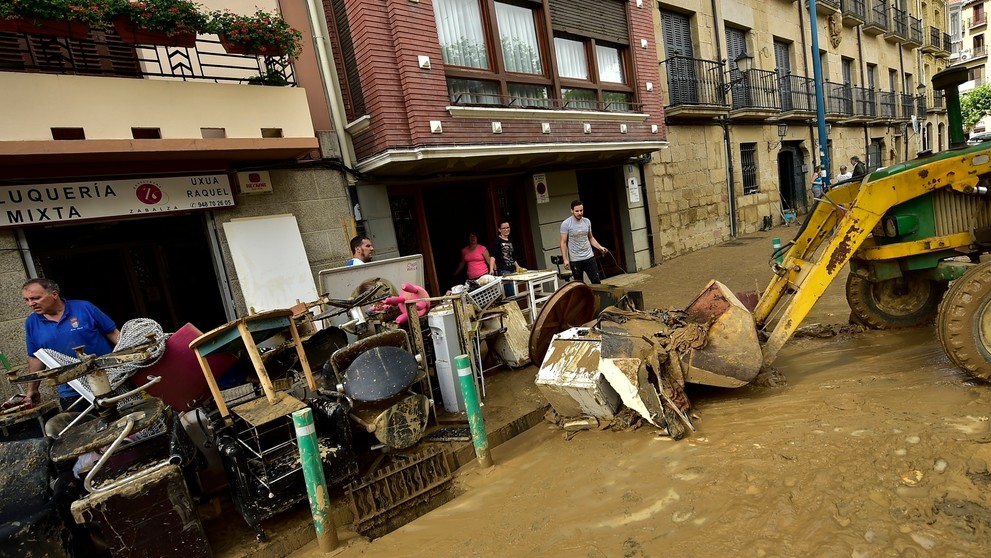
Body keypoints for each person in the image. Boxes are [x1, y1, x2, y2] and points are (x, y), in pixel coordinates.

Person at [11, 278, 120, 413]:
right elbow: (36, 357)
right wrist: (32, 389)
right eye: (27, 300)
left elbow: (114, 334)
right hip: (72, 392)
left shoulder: (84, 308)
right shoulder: (32, 322)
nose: (31, 304)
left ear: (54, 294)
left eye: (35, 298)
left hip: (110, 381)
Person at [560, 199, 608, 284]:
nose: (579, 213)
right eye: (577, 211)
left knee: (596, 282)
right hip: (575, 259)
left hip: (589, 257)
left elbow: (591, 238)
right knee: (579, 285)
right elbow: (563, 242)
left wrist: (600, 247)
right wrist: (565, 259)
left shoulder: (587, 221)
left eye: (581, 210)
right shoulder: (566, 224)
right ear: (572, 211)